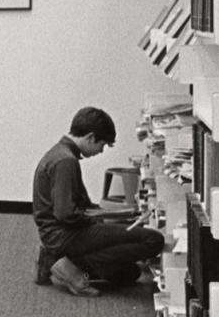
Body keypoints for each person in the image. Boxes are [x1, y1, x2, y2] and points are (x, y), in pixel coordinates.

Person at [33, 106, 166, 297]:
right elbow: (65, 214)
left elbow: (73, 207)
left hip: (58, 234)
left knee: (129, 273)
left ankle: (65, 262)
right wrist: (95, 220)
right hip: (64, 235)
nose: (101, 151)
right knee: (153, 239)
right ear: (90, 137)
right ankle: (67, 263)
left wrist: (103, 217)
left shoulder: (59, 154)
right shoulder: (66, 161)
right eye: (101, 144)